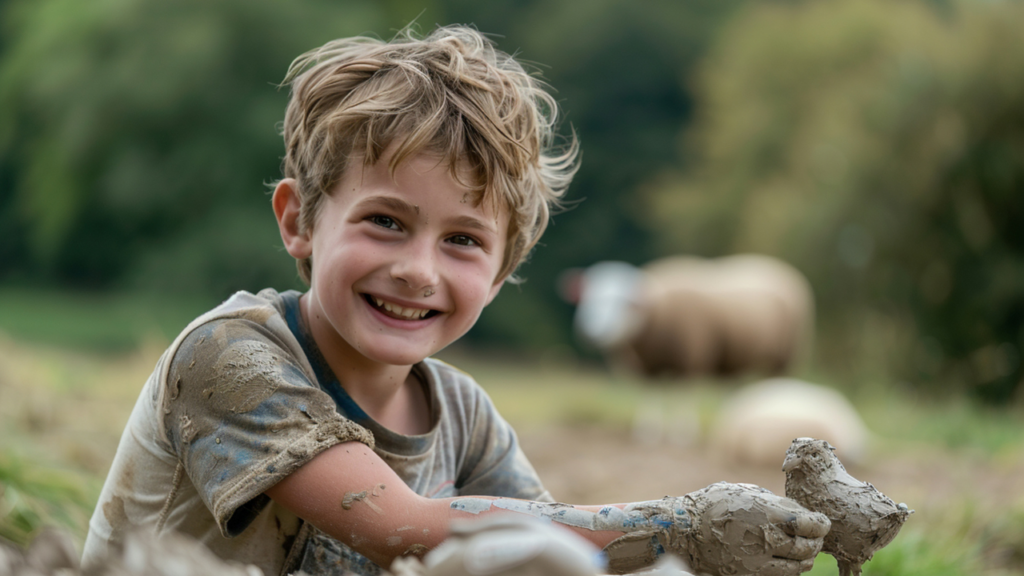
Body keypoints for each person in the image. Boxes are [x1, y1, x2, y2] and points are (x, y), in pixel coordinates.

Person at [82, 25, 830, 576]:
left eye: (463, 241)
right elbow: (393, 524)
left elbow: (552, 537)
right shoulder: (231, 357)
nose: (417, 270)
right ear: (298, 221)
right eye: (385, 222)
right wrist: (685, 525)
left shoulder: (464, 417)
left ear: (504, 272)